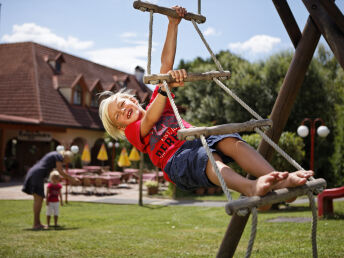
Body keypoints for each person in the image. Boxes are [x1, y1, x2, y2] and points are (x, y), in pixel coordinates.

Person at [99, 6, 313, 199]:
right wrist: (166, 86)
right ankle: (249, 187)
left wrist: (173, 25)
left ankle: (277, 179)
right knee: (210, 160)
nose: (123, 110)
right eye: (118, 115)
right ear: (120, 126)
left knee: (231, 140)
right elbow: (151, 119)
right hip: (176, 160)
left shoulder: (157, 98)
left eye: (122, 103)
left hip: (196, 138)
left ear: (132, 99)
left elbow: (165, 65)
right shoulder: (132, 132)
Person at [22, 150, 79, 230]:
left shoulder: (55, 155)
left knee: (39, 199)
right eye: (66, 161)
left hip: (36, 174)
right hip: (37, 175)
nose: (65, 163)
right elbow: (60, 171)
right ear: (66, 157)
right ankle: (36, 224)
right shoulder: (58, 156)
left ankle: (38, 223)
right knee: (38, 199)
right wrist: (72, 178)